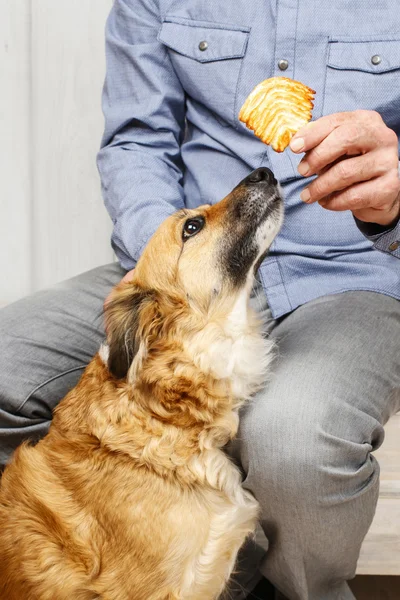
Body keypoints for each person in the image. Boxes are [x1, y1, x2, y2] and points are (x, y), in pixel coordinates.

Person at [1, 1, 400, 599]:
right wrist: (169, 275)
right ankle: (128, 553)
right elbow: (136, 141)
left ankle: (287, 585)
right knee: (7, 366)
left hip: (349, 272)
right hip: (183, 266)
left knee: (295, 441)